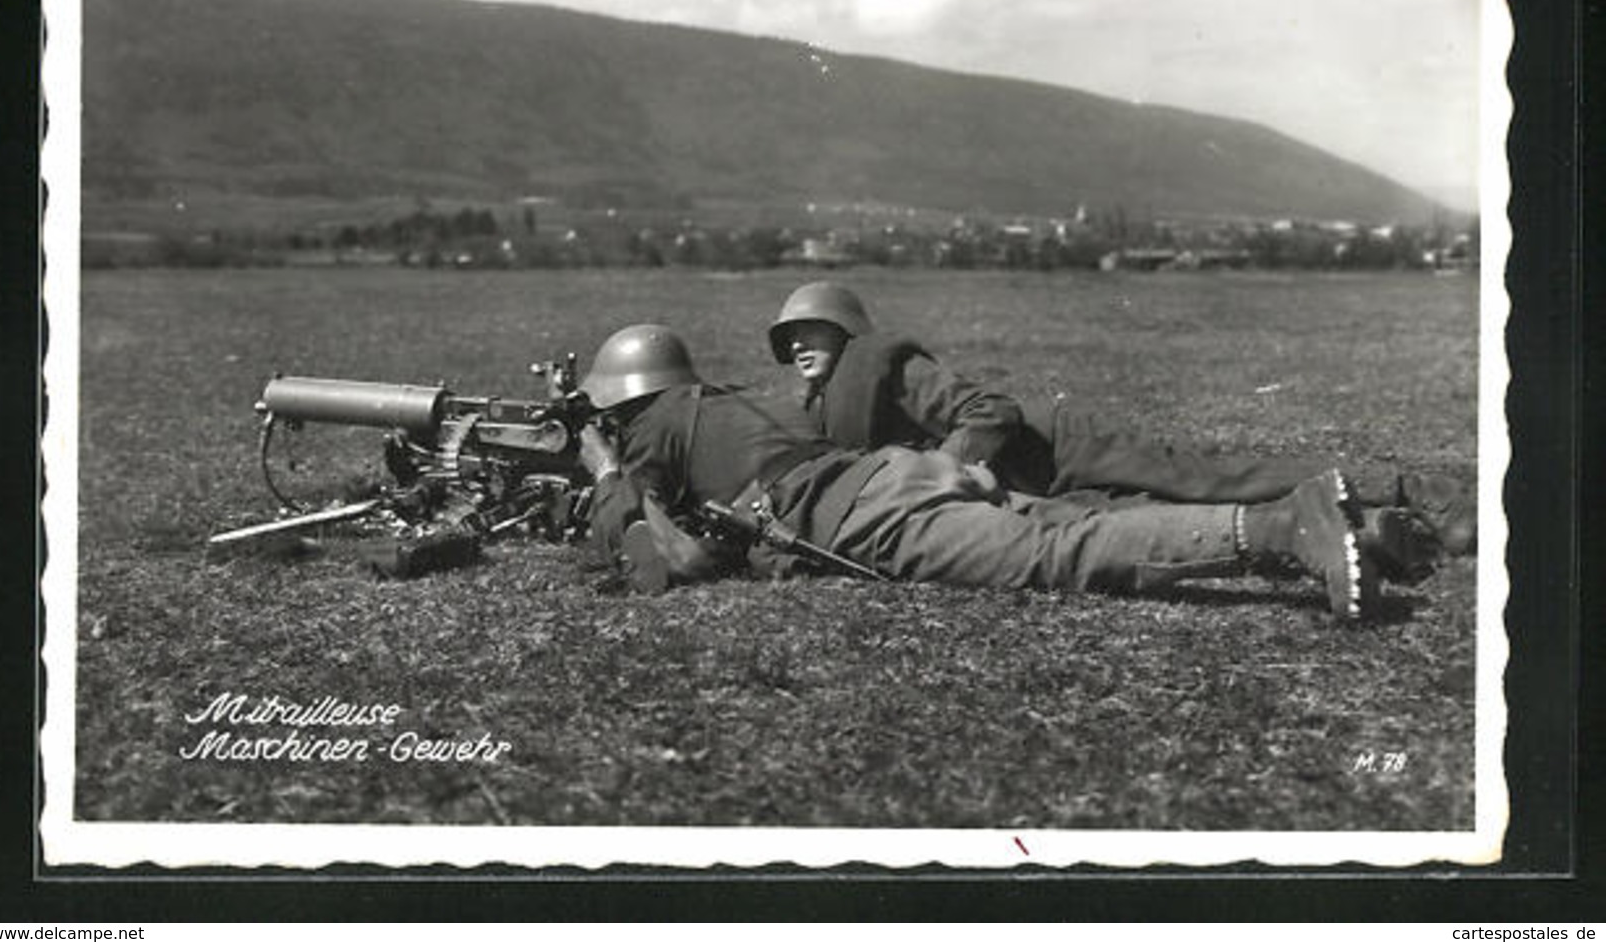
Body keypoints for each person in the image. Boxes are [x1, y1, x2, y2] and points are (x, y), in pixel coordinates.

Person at [572, 323, 1385, 621]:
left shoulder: (654, 428)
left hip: (857, 516)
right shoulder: (734, 404)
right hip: (903, 474)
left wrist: (604, 472)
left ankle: (1284, 527)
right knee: (1073, 527)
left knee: (1050, 561)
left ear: (624, 404)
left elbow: (648, 553)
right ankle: (1367, 533)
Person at [765, 281, 1476, 579]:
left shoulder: (883, 365)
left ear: (847, 329)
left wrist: (955, 470)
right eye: (789, 338)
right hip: (1025, 488)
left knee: (1208, 477)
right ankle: (1375, 526)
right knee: (1172, 519)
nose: (798, 345)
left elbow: (989, 413)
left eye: (811, 331)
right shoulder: (823, 403)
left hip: (1053, 447)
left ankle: (1423, 490)